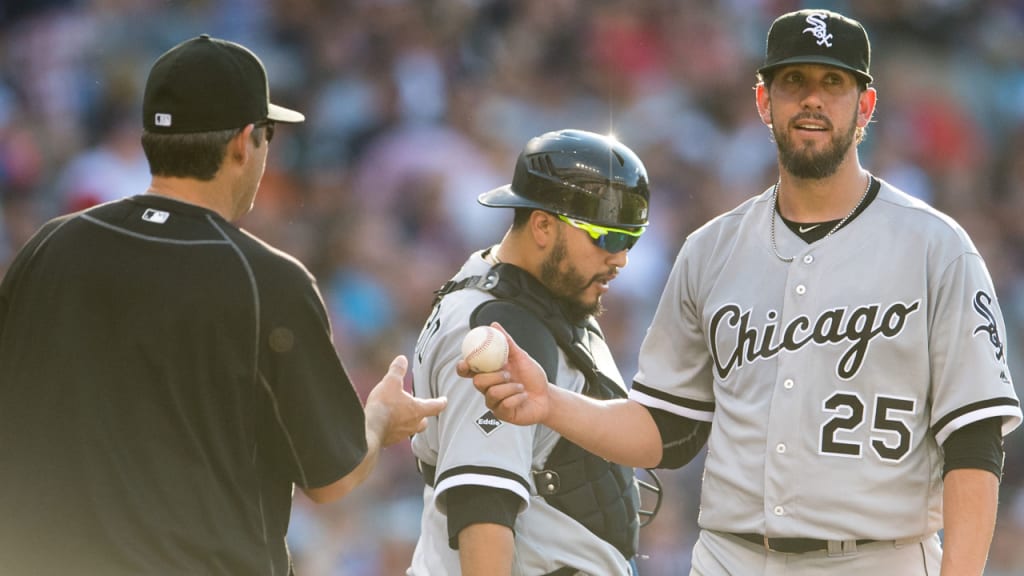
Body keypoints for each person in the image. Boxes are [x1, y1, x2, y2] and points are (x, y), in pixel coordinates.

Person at [469, 9, 1022, 576]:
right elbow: (667, 430)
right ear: (764, 101)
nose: (812, 100)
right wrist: (551, 404)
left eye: (833, 83)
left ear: (865, 108)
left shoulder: (936, 249)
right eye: (794, 82)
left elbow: (974, 442)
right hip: (730, 559)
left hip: (879, 558)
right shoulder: (711, 250)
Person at [0, 35, 446, 575]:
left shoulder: (51, 245)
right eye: (268, 134)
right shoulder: (266, 282)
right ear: (243, 143)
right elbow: (332, 479)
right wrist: (378, 419)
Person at [408, 129, 657, 575]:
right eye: (608, 238)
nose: (620, 259)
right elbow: (482, 506)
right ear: (543, 225)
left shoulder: (533, 296)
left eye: (630, 240)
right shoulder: (502, 330)